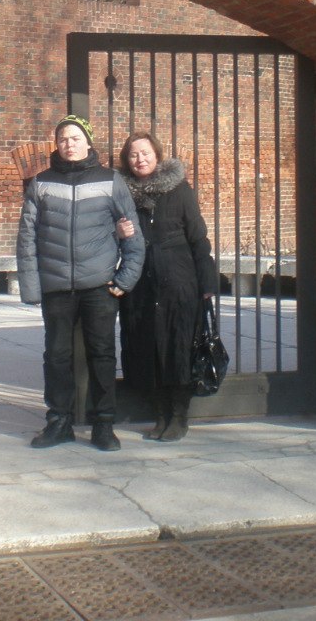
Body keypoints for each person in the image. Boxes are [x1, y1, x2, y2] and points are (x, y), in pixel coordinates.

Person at [17, 115, 144, 451]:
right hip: (56, 286)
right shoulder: (41, 183)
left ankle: (104, 424)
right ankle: (59, 422)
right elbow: (27, 237)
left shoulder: (110, 181)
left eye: (75, 138)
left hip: (99, 286)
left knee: (102, 355)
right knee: (56, 357)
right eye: (63, 139)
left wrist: (125, 278)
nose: (69, 144)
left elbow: (133, 234)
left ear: (88, 142)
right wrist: (31, 286)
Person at [117, 130, 218, 442]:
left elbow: (198, 236)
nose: (140, 159)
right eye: (134, 155)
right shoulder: (122, 194)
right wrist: (118, 232)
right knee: (148, 350)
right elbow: (108, 235)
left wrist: (207, 281)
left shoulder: (179, 190)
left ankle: (179, 416)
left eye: (145, 153)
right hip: (141, 286)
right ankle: (160, 415)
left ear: (157, 155)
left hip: (178, 282)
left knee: (178, 347)